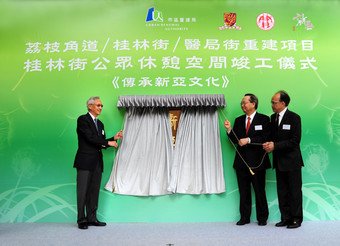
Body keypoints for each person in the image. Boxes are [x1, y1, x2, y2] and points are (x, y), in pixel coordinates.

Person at [73, 96, 123, 230]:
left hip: (97, 162)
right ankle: (81, 220)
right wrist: (108, 142)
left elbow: (100, 143)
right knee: (82, 191)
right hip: (84, 162)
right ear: (90, 106)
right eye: (98, 105)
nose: (100, 108)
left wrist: (113, 138)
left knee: (94, 191)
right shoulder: (83, 120)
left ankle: (92, 218)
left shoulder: (100, 124)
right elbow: (90, 138)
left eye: (101, 106)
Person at [224, 93, 271, 226]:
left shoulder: (264, 119)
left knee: (259, 191)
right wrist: (229, 130)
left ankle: (262, 218)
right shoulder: (239, 120)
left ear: (253, 103)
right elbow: (236, 141)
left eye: (245, 102)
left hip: (258, 163)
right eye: (242, 103)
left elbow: (265, 138)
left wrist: (249, 140)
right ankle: (244, 217)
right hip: (241, 163)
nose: (242, 105)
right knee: (243, 192)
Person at [263, 90, 304, 229]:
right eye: (271, 102)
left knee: (294, 191)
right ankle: (285, 218)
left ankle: (296, 219)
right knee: (282, 192)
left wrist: (275, 145)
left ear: (283, 103)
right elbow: (271, 137)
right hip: (279, 162)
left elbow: (295, 141)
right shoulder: (272, 118)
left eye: (274, 102)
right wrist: (268, 144)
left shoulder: (294, 118)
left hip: (292, 162)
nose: (272, 105)